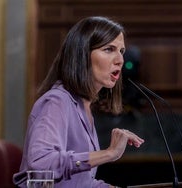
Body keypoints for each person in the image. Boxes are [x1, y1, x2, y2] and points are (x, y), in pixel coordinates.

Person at [13, 16, 144, 188]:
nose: (120, 60)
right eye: (109, 49)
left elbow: (79, 183)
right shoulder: (57, 101)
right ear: (82, 54)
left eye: (121, 51)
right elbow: (41, 165)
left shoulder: (83, 107)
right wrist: (109, 153)